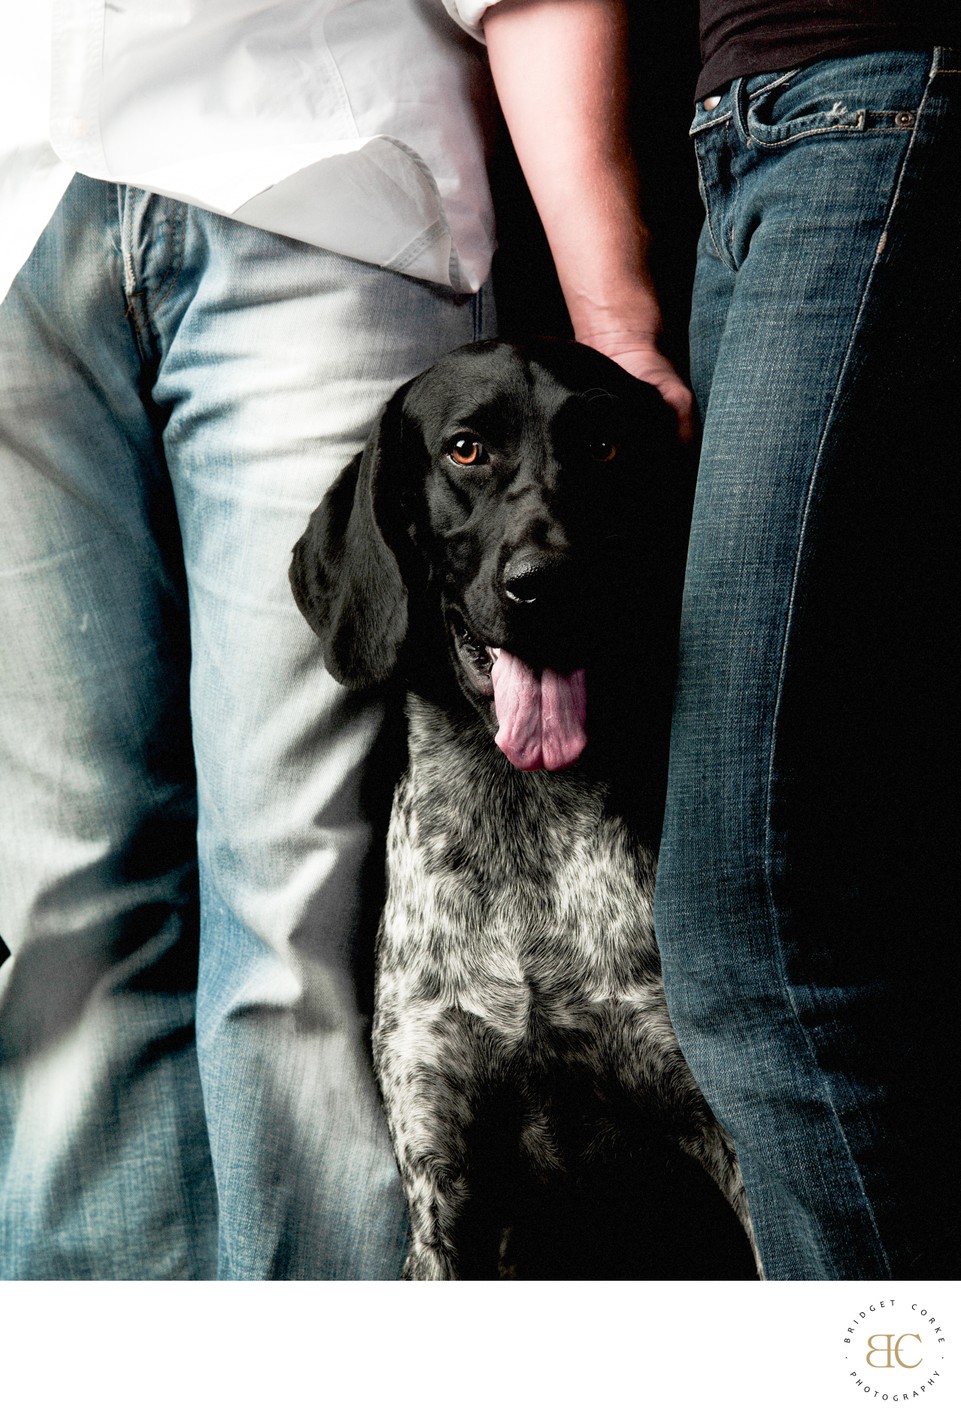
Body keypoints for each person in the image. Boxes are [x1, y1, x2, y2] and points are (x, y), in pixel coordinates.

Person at [0, 0, 502, 1281]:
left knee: (302, 903)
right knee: (67, 901)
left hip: (314, 174)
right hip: (14, 214)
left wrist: (612, 295)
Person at [480, 0, 961, 1280]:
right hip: (745, 140)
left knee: (752, 918)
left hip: (871, 100)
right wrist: (617, 316)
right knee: (832, 871)